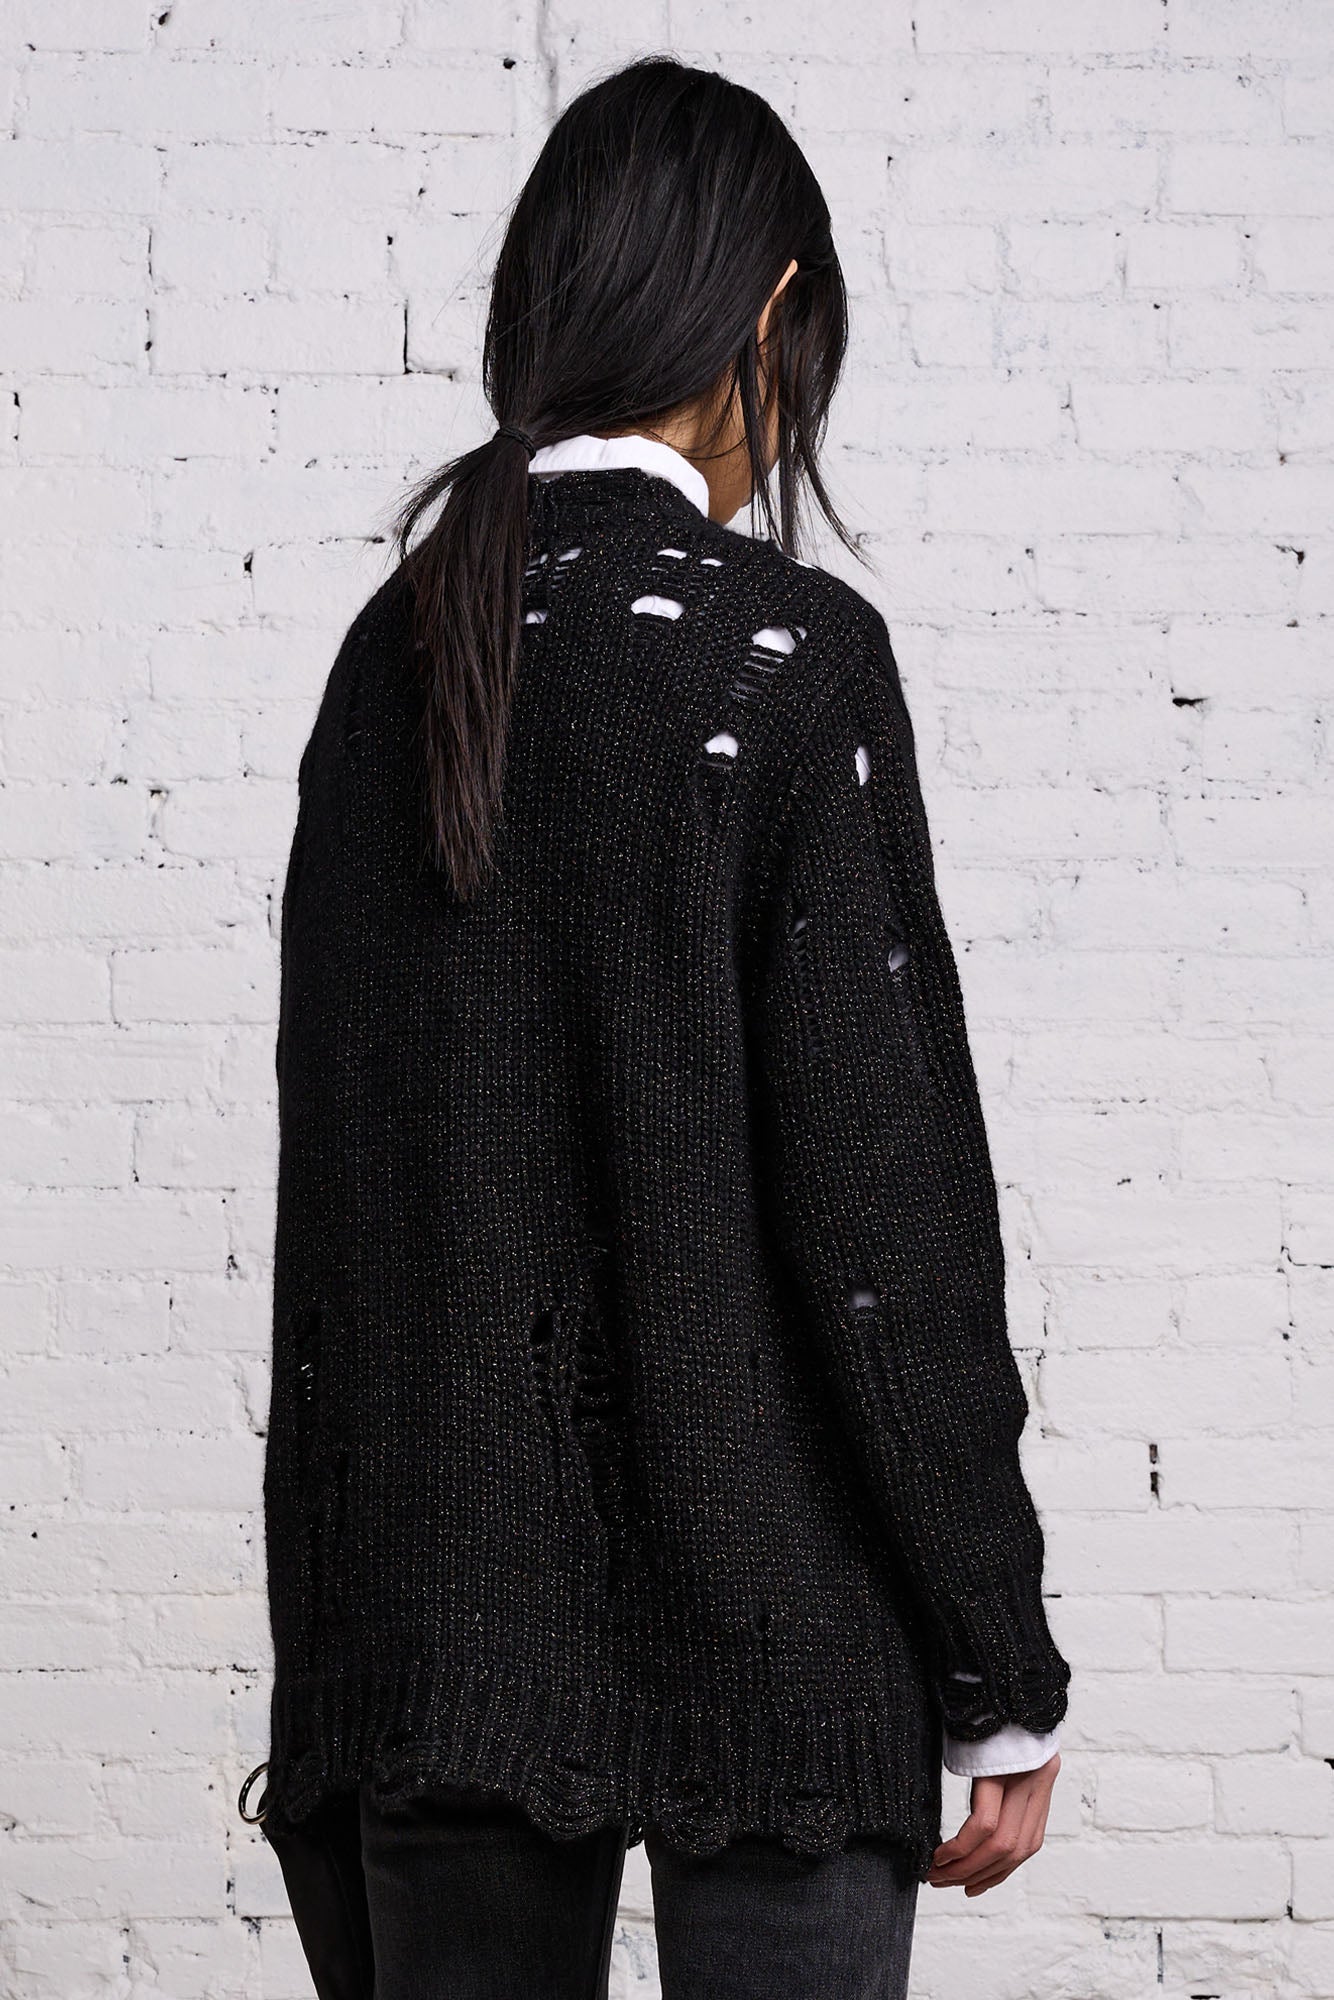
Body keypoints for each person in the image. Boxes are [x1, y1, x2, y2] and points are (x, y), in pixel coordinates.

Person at [238, 53, 1072, 2000]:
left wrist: (338, 1676)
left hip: (433, 1631)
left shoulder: (394, 659)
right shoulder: (783, 656)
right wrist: (995, 1666)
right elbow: (884, 1219)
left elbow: (342, 1210)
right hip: (788, 1642)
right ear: (773, 307)